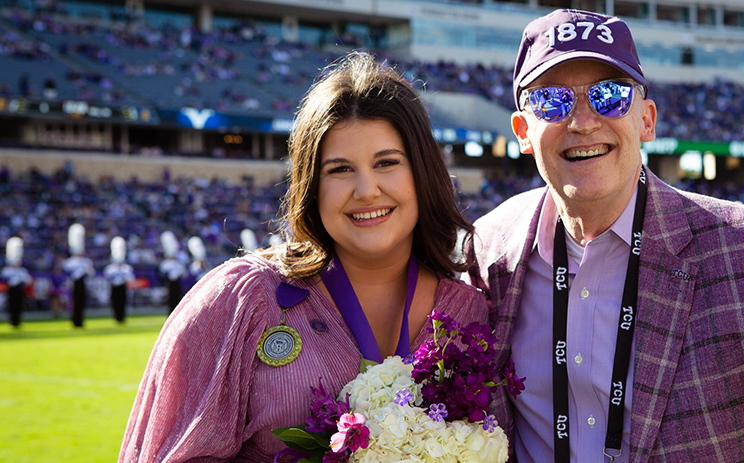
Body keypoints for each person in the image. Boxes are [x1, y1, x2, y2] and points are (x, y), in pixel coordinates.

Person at [467, 9, 744, 462]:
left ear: (647, 121)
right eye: (552, 101)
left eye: (609, 96)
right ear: (523, 131)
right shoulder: (488, 250)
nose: (582, 121)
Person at [120, 52, 489, 462]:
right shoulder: (242, 300)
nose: (366, 190)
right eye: (339, 170)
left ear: (423, 173)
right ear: (312, 186)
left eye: (387, 163)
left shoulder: (468, 311)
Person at [64, 223, 94, 328]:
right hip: (74, 284)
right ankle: (74, 321)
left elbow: (91, 273)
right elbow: (67, 272)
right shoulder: (70, 262)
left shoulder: (86, 261)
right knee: (74, 303)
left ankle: (80, 321)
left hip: (82, 283)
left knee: (82, 303)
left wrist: (86, 270)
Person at [104, 236, 135, 325]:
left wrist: (124, 276)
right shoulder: (110, 268)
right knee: (115, 302)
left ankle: (122, 318)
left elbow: (130, 278)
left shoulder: (126, 268)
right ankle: (116, 317)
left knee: (123, 302)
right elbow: (107, 278)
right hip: (114, 287)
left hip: (123, 287)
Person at [2, 236, 31, 328]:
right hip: (11, 289)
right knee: (11, 306)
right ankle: (12, 321)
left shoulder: (22, 270)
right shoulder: (7, 270)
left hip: (19, 290)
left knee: (19, 306)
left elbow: (28, 281)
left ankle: (17, 321)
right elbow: (4, 279)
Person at [157, 231, 186, 314]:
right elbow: (162, 275)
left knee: (178, 298)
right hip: (169, 284)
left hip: (177, 284)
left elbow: (184, 274)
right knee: (170, 299)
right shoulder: (165, 264)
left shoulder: (179, 263)